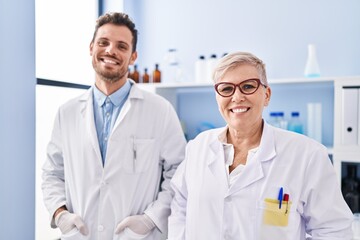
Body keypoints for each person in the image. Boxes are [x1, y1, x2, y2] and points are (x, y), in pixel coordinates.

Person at [168, 51, 353, 239]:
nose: (237, 97)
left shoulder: (307, 155)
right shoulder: (198, 146)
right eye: (226, 89)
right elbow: (180, 205)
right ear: (217, 97)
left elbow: (335, 231)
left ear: (267, 95)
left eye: (248, 86)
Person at [42, 12, 186, 240]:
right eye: (103, 43)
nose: (111, 51)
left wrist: (150, 219)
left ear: (133, 56)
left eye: (121, 46)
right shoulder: (67, 113)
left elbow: (179, 172)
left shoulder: (160, 110)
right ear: (91, 48)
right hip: (80, 235)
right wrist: (61, 215)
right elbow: (52, 172)